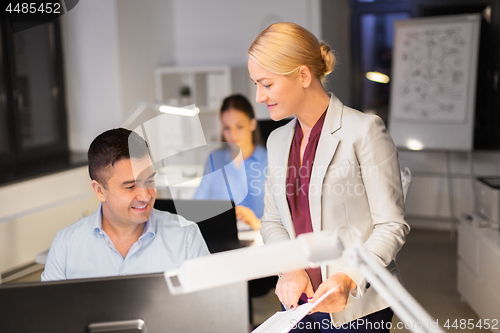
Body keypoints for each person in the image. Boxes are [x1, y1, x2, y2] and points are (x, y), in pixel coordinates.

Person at [248, 22, 410, 332]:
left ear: (303, 75)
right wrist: (289, 267)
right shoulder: (278, 141)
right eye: (256, 84)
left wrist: (348, 278)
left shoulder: (363, 130)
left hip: (356, 307)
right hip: (298, 302)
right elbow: (272, 221)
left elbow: (391, 225)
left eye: (266, 84)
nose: (258, 96)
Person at [41, 128, 209, 281]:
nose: (146, 196)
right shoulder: (66, 245)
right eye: (130, 187)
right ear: (99, 191)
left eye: (149, 180)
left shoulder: (186, 238)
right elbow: (48, 312)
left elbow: (209, 306)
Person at [194, 94, 267, 230]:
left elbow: (285, 216)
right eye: (227, 128)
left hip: (261, 237)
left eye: (239, 126)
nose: (233, 134)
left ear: (252, 124)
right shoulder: (214, 159)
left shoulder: (270, 160)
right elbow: (197, 206)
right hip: (222, 238)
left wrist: (257, 223)